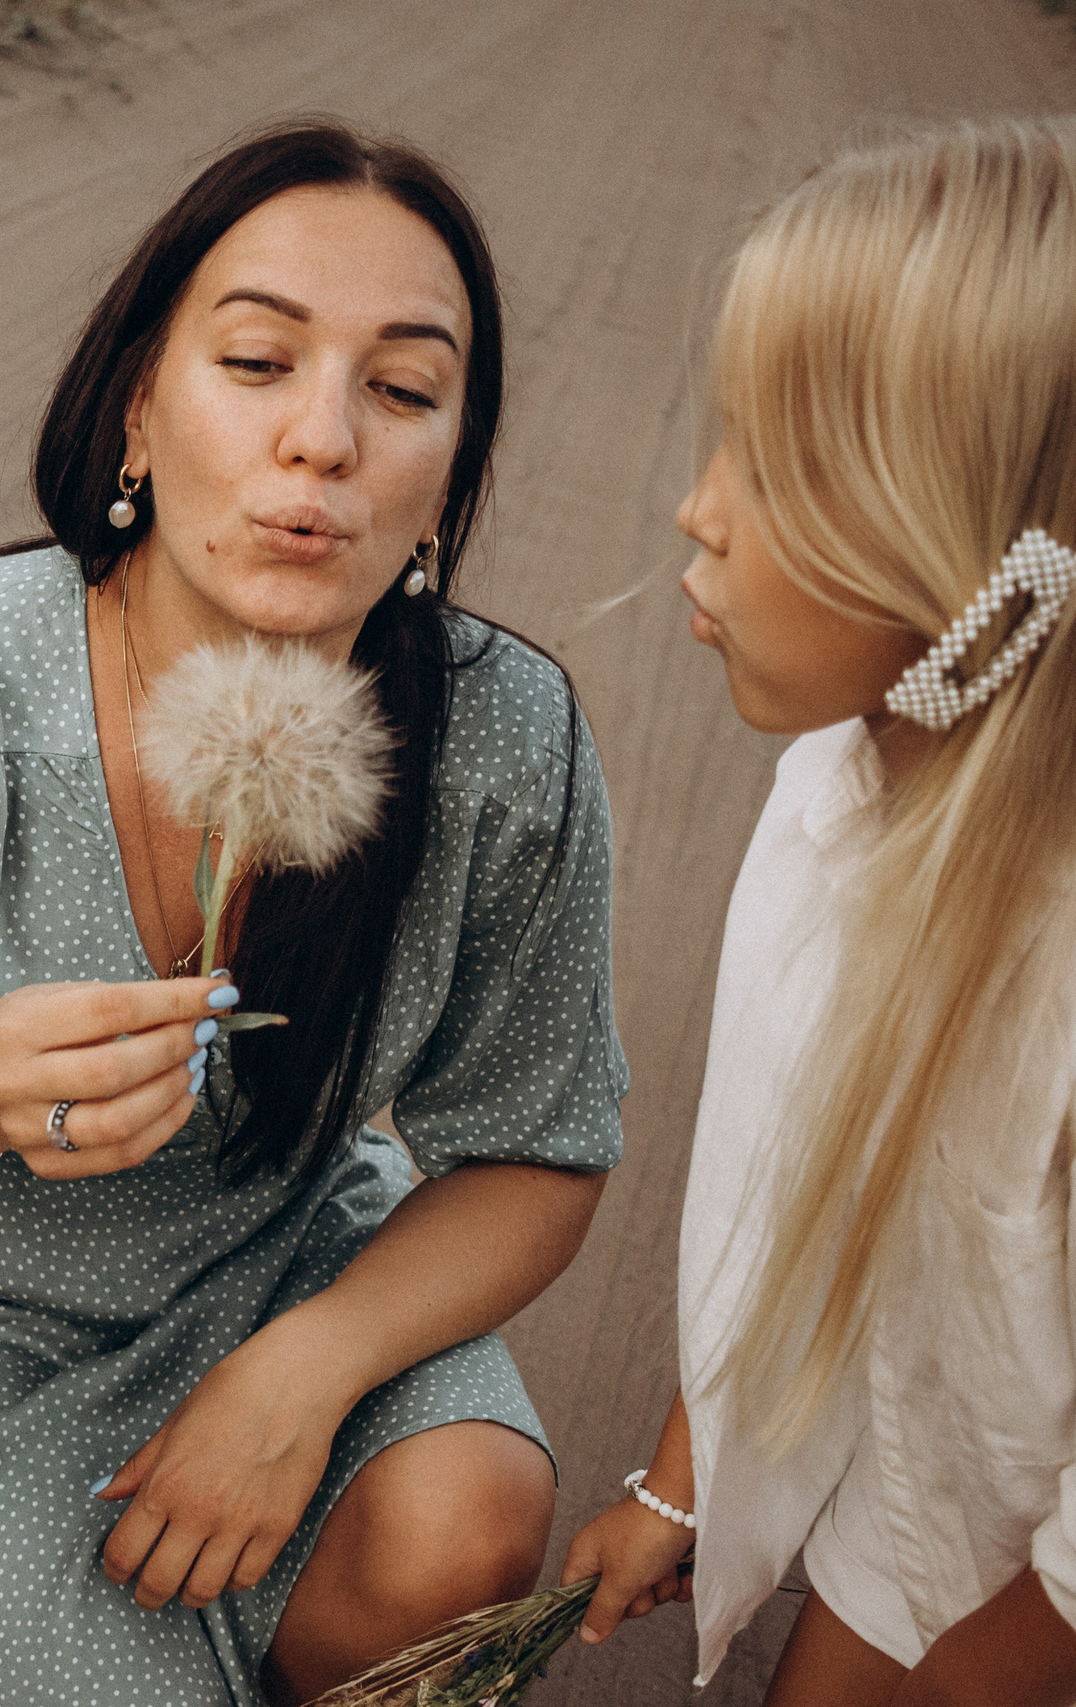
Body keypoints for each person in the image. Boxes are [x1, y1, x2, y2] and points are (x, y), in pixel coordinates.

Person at [0, 120, 627, 1705]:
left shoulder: (505, 743)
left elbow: (535, 1141)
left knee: (467, 1527)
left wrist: (301, 1371)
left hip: (282, 1261)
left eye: (402, 388)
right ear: (136, 412)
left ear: (451, 469)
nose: (322, 440)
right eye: (257, 361)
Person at [560, 118, 1076, 1707]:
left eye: (777, 470)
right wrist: (683, 1474)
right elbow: (790, 1180)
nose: (696, 512)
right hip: (915, 1493)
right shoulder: (834, 791)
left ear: (982, 558)